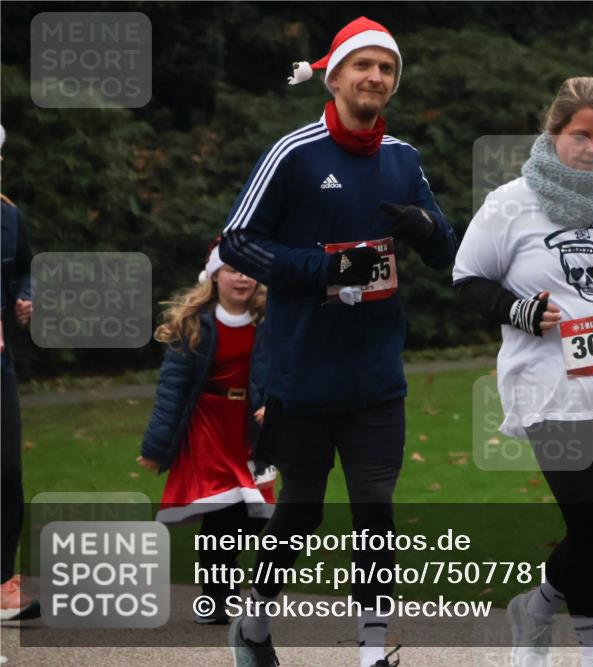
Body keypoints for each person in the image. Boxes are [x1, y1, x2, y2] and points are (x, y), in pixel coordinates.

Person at [218, 16, 457, 667]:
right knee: (301, 511)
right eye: (364, 65)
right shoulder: (294, 153)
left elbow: (447, 253)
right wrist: (324, 268)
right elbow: (236, 241)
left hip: (376, 375)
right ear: (335, 76)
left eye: (387, 68)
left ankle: (372, 652)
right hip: (303, 372)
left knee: (375, 508)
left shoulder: (403, 158)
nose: (376, 76)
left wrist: (426, 228)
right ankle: (254, 625)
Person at [452, 77, 593, 667]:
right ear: (553, 132)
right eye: (582, 135)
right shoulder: (510, 202)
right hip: (550, 387)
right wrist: (518, 311)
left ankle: (536, 606)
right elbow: (468, 279)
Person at [138, 240, 274, 624]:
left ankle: (228, 580)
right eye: (232, 270)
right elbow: (172, 389)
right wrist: (156, 446)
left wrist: (275, 405)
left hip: (251, 428)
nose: (242, 278)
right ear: (214, 275)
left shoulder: (269, 319)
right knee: (222, 511)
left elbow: (285, 369)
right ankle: (216, 597)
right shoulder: (195, 324)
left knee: (257, 514)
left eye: (248, 270)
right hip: (209, 426)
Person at [0, 123, 41, 623]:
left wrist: (25, 297)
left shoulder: (9, 216)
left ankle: (3, 583)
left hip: (1, 361)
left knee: (7, 471)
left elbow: (25, 268)